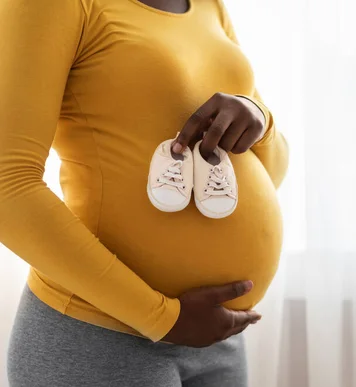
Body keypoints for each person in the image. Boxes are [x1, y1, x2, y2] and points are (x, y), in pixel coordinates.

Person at [0, 0, 288, 385]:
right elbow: (8, 187)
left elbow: (269, 173)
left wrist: (260, 119)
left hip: (217, 339)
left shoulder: (208, 5)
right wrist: (163, 318)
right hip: (99, 337)